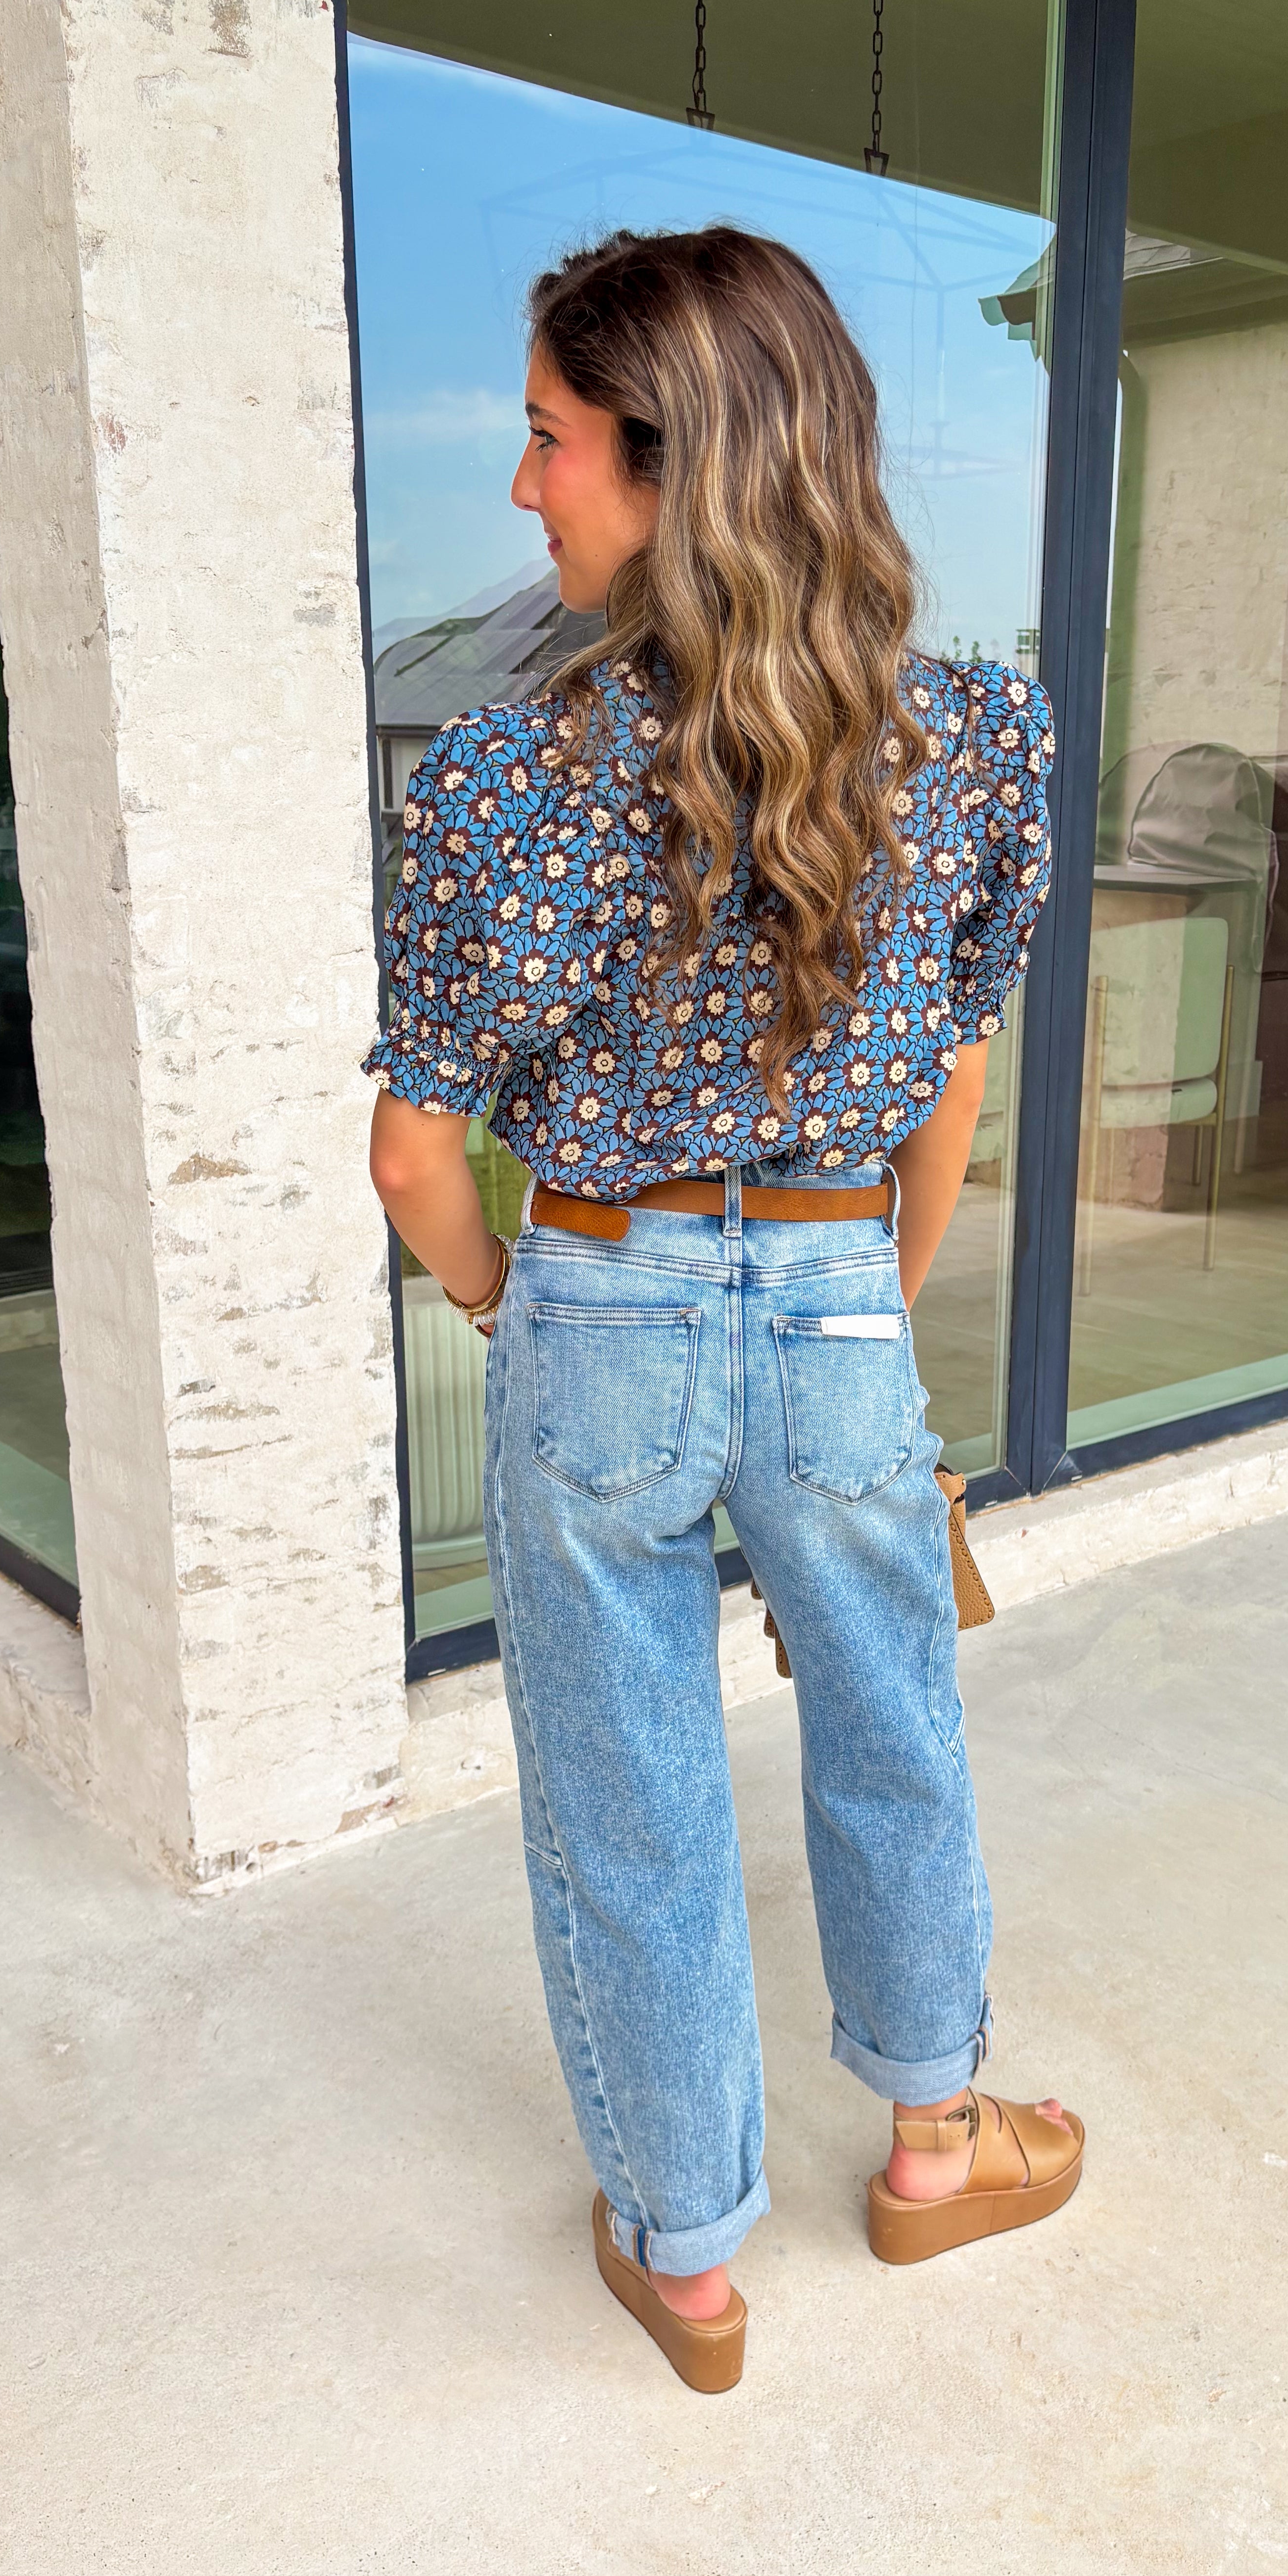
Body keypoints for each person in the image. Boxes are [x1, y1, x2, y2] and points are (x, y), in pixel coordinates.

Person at [366, 226, 1081, 2394]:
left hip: (604, 1297)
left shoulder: (505, 779)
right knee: (894, 1729)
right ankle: (940, 2151)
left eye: (550, 439)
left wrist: (536, 1313)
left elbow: (415, 1164)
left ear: (680, 468)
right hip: (849, 1294)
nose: (521, 490)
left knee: (632, 1790)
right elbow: (952, 1091)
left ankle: (689, 2263)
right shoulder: (970, 738)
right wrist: (849, 1309)